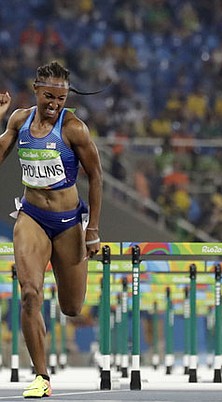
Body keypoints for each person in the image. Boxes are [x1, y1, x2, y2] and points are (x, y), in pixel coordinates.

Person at [0, 61, 103, 398]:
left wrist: (93, 230)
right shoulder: (19, 120)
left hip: (68, 222)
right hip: (31, 217)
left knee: (72, 307)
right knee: (29, 294)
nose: (55, 104)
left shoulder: (74, 128)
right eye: (49, 97)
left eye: (61, 98)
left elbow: (97, 177)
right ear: (35, 90)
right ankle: (41, 377)